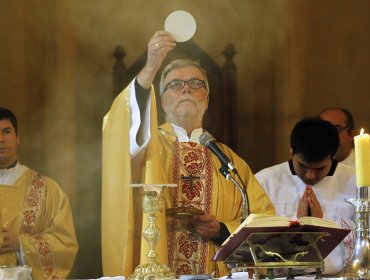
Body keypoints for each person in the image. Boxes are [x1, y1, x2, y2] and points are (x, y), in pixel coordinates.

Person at [102, 31, 275, 277]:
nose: (186, 90)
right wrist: (151, 67)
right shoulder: (145, 145)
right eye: (175, 84)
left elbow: (264, 221)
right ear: (161, 102)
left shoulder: (228, 160)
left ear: (206, 98)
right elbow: (119, 130)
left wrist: (223, 230)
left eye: (196, 84)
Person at [254, 117, 356, 276]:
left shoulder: (356, 182)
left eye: (319, 169)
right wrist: (297, 224)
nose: (309, 175)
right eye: (302, 166)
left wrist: (321, 222)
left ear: (333, 154)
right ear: (291, 149)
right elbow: (253, 242)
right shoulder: (264, 182)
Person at [0, 108, 78, 279]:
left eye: (6, 131)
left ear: (18, 138)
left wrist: (21, 244)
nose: (0, 139)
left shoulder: (46, 189)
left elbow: (65, 244)